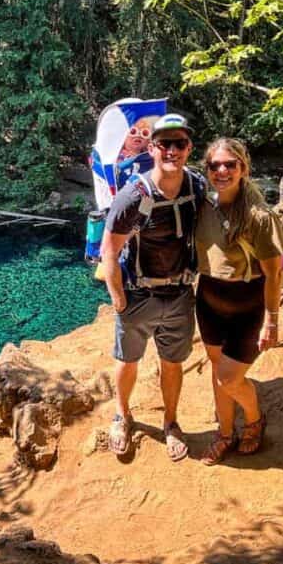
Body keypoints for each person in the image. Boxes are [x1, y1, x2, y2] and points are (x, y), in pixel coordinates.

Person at [100, 113, 205, 461]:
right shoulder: (134, 195)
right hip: (139, 294)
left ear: (188, 148)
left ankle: (171, 422)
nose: (171, 150)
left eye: (179, 143)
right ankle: (122, 415)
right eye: (164, 144)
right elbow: (109, 250)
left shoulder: (196, 187)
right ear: (152, 148)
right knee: (128, 360)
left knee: (172, 362)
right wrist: (118, 299)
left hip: (180, 294)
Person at [193, 138, 283, 465]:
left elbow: (273, 273)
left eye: (229, 164)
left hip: (248, 306)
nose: (222, 171)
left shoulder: (259, 217)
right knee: (218, 369)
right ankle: (225, 433)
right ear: (207, 170)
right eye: (214, 165)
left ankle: (255, 420)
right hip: (209, 302)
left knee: (228, 378)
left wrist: (271, 320)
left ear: (243, 168)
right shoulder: (203, 207)